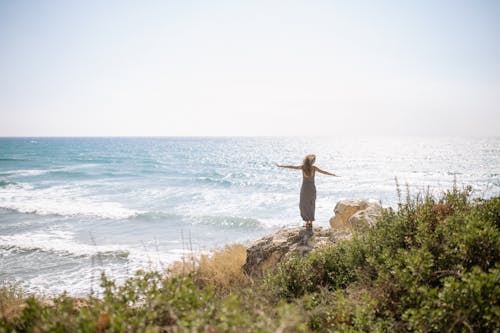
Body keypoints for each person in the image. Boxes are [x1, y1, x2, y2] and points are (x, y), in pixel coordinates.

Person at [277, 154, 338, 230]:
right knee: (311, 204)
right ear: (312, 161)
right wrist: (333, 174)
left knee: (303, 204)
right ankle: (311, 222)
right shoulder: (314, 168)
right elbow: (324, 172)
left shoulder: (303, 167)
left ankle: (307, 222)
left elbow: (291, 167)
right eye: (314, 160)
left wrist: (281, 166)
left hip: (305, 189)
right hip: (312, 189)